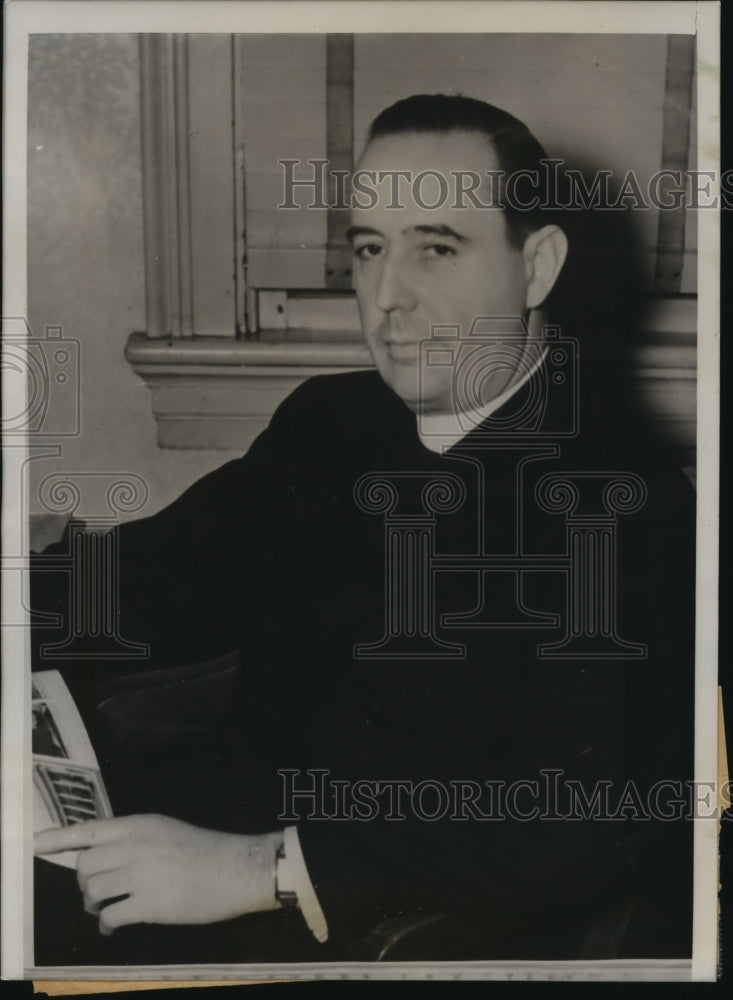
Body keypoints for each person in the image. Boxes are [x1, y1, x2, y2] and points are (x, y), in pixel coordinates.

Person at [32, 94, 695, 962]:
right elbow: (157, 578)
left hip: (381, 926)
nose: (387, 298)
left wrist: (254, 870)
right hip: (200, 833)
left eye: (436, 249)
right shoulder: (334, 421)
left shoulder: (626, 505)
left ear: (536, 266)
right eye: (370, 249)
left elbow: (581, 826)